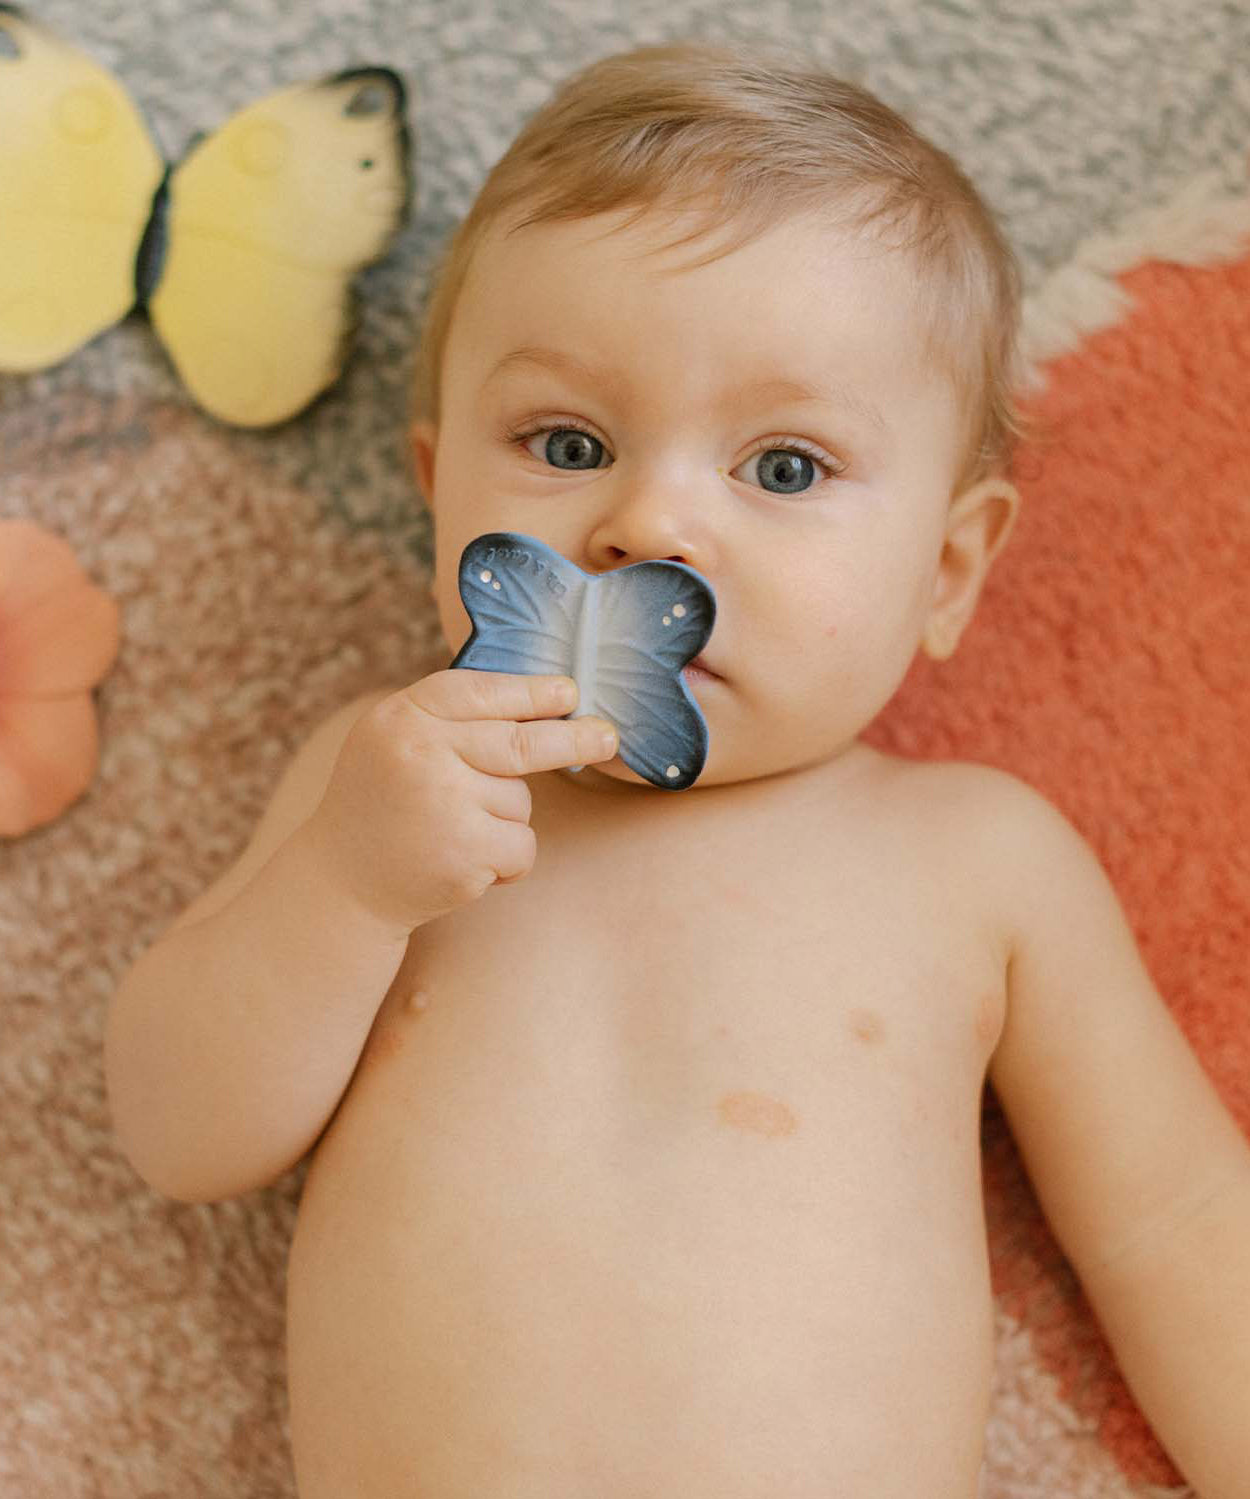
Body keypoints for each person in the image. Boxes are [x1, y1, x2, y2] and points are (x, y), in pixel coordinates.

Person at [103, 40, 1250, 1499]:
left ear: (947, 569)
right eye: (565, 441)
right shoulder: (386, 789)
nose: (648, 524)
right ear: (433, 486)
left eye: (781, 468)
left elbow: (1174, 1226)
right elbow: (174, 1132)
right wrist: (340, 885)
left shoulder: (977, 858)